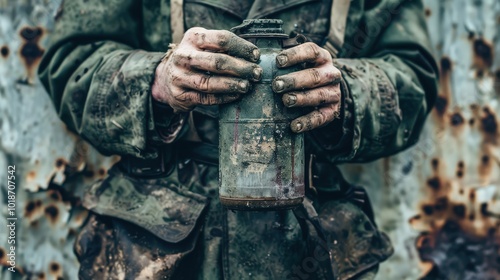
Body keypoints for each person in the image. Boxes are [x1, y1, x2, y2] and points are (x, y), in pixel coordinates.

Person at [39, 0, 438, 279]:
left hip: (308, 240)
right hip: (159, 244)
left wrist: (345, 92)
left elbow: (413, 79)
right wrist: (158, 81)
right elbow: (72, 64)